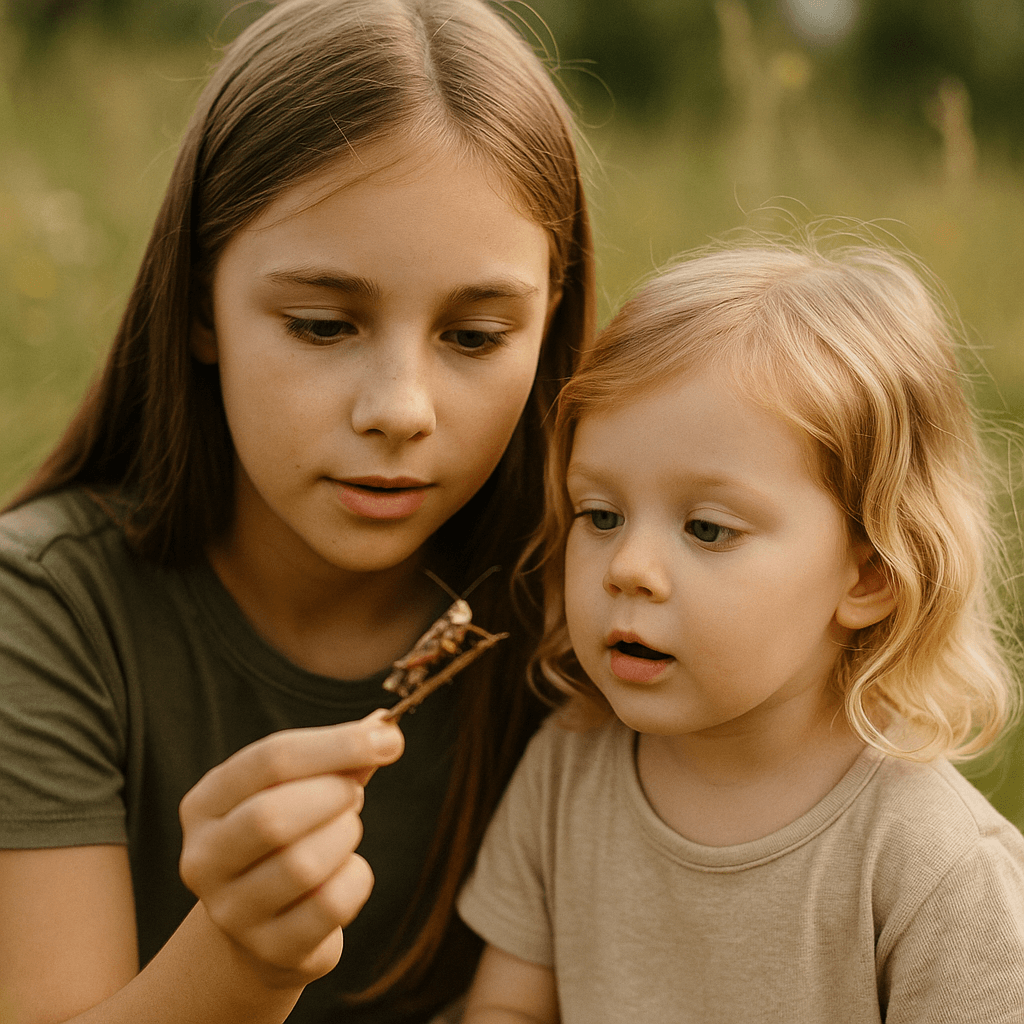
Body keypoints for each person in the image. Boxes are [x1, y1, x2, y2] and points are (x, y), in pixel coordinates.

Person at [0, 1, 595, 1021]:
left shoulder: (597, 622)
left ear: (550, 322)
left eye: (476, 334)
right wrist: (241, 958)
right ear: (198, 306)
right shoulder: (44, 610)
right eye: (322, 324)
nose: (398, 410)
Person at [455, 240, 1024, 1023]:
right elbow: (509, 1006)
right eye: (601, 514)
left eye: (708, 528)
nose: (629, 567)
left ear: (870, 575)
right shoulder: (568, 769)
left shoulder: (934, 866)